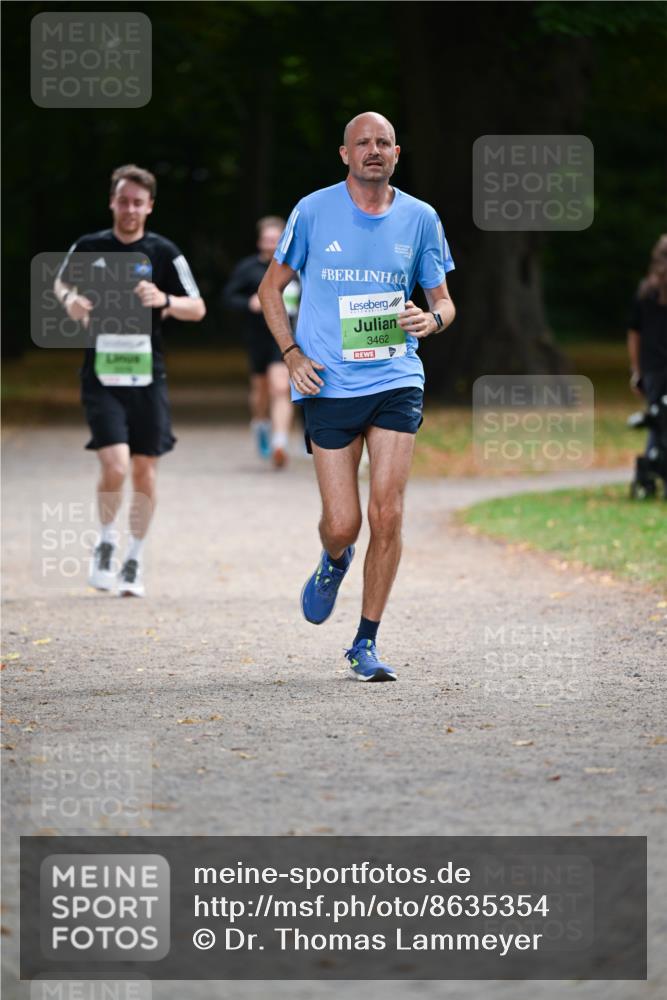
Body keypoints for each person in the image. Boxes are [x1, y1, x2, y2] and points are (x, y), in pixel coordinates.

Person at [258, 112, 455, 681]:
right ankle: (334, 558)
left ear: (398, 152)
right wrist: (293, 355)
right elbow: (271, 291)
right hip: (329, 382)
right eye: (362, 143)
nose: (373, 150)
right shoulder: (313, 211)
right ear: (344, 154)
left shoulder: (421, 218)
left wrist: (431, 320)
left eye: (383, 142)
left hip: (396, 376)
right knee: (343, 523)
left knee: (387, 513)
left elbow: (444, 301)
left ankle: (364, 642)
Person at [54, 163, 206, 596]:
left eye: (138, 202)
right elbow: (61, 284)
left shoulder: (164, 251)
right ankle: (106, 541)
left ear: (150, 207)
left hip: (147, 374)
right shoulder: (89, 245)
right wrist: (72, 301)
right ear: (112, 202)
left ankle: (135, 557)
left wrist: (166, 300)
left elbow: (198, 308)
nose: (130, 209)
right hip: (101, 372)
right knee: (115, 464)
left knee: (144, 471)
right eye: (123, 200)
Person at [224, 217, 299, 468]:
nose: (270, 244)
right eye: (266, 240)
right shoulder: (248, 269)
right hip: (258, 338)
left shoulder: (296, 268)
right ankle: (260, 424)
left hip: (287, 339)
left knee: (281, 387)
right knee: (261, 391)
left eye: (275, 239)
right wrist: (249, 303)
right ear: (259, 242)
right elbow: (228, 298)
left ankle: (280, 444)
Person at [628, 234, 667, 444]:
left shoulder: (645, 290)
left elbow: (634, 333)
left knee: (656, 419)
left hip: (652, 367)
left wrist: (636, 370)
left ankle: (651, 465)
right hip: (655, 367)